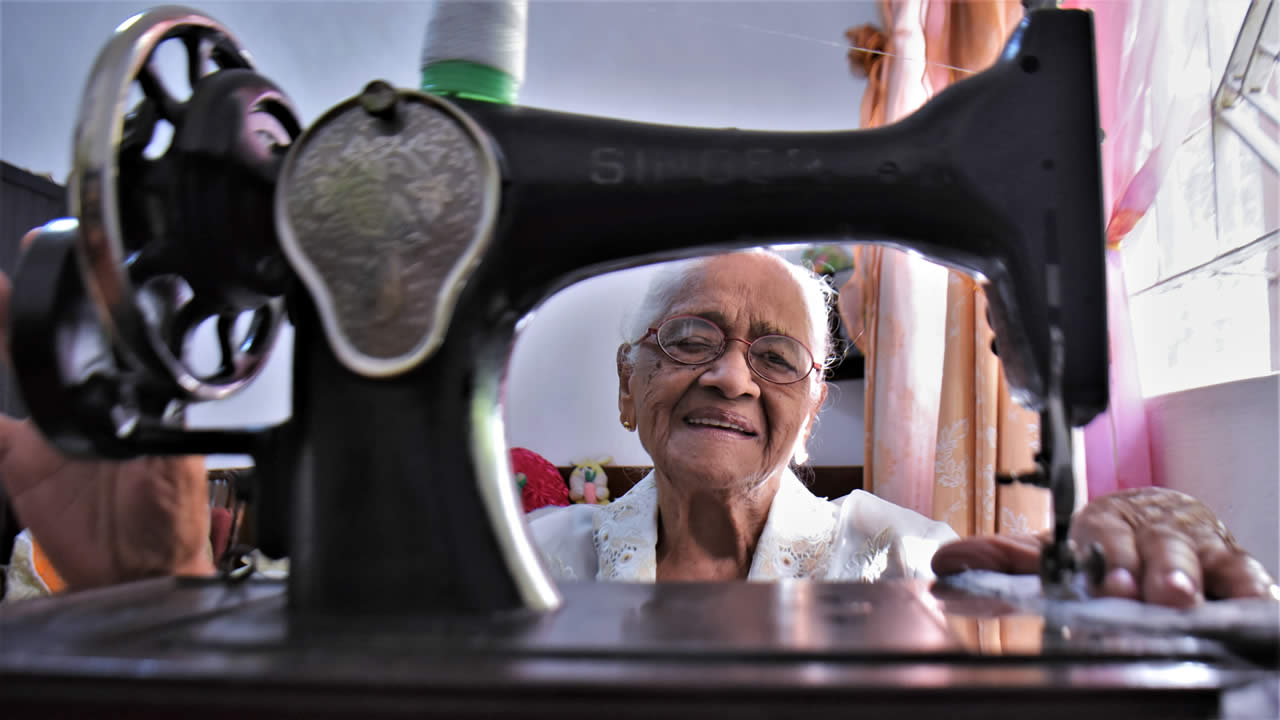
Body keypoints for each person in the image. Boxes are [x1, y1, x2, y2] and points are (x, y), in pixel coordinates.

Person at [0, 245, 1275, 607]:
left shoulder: (903, 559)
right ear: (625, 390)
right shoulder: (528, 564)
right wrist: (144, 592)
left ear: (806, 406)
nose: (729, 379)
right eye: (687, 339)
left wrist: (1137, 546)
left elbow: (1055, 622)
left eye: (774, 355)